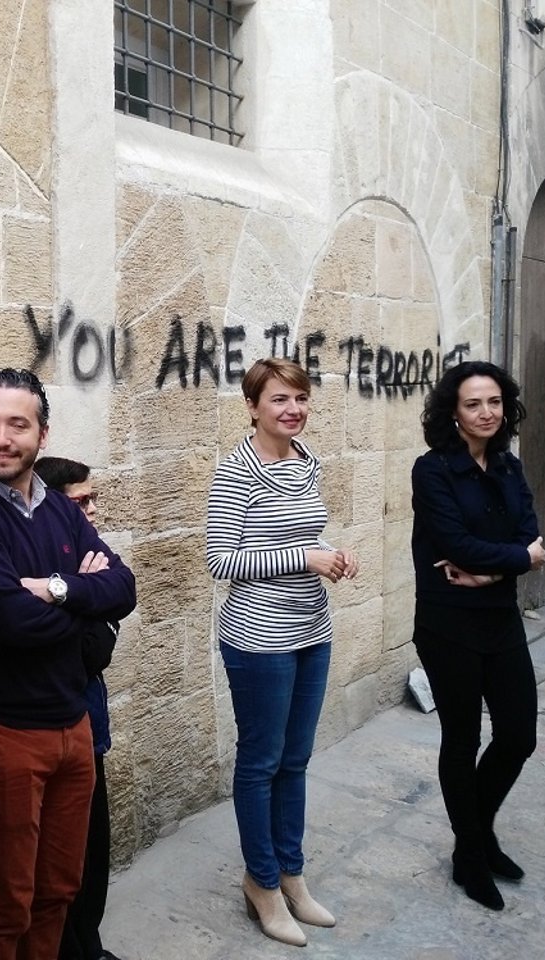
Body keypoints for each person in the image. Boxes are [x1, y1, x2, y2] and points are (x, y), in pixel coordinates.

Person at [0, 368, 138, 960]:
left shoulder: (62, 509)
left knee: (59, 890)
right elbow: (14, 623)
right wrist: (85, 599)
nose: (1, 438)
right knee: (7, 900)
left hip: (73, 727)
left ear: (42, 433)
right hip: (3, 735)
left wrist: (55, 590)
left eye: (17, 424)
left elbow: (124, 587)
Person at [204, 357, 358, 948]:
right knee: (262, 762)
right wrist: (306, 558)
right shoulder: (235, 472)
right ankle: (261, 883)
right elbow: (222, 562)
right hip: (258, 640)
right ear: (252, 407)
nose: (292, 409)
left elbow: (301, 534)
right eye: (278, 400)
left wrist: (333, 554)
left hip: (310, 631)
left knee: (295, 761)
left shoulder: (306, 461)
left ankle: (291, 875)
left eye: (299, 398)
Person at [410, 359, 545, 911]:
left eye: (494, 402)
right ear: (454, 412)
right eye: (473, 404)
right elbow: (456, 543)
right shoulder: (432, 470)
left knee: (519, 735)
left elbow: (531, 538)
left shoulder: (510, 467)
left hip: (499, 616)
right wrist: (516, 558)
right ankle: (470, 854)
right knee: (462, 740)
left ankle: (477, 832)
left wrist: (496, 569)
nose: (486, 412)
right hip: (448, 625)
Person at [32, 456, 124, 960]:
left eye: (93, 498)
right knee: (55, 863)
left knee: (93, 853)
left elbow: (113, 612)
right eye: (80, 501)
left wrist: (85, 600)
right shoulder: (40, 561)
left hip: (90, 729)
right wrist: (88, 596)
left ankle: (88, 947)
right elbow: (92, 650)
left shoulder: (90, 555)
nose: (92, 510)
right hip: (50, 731)